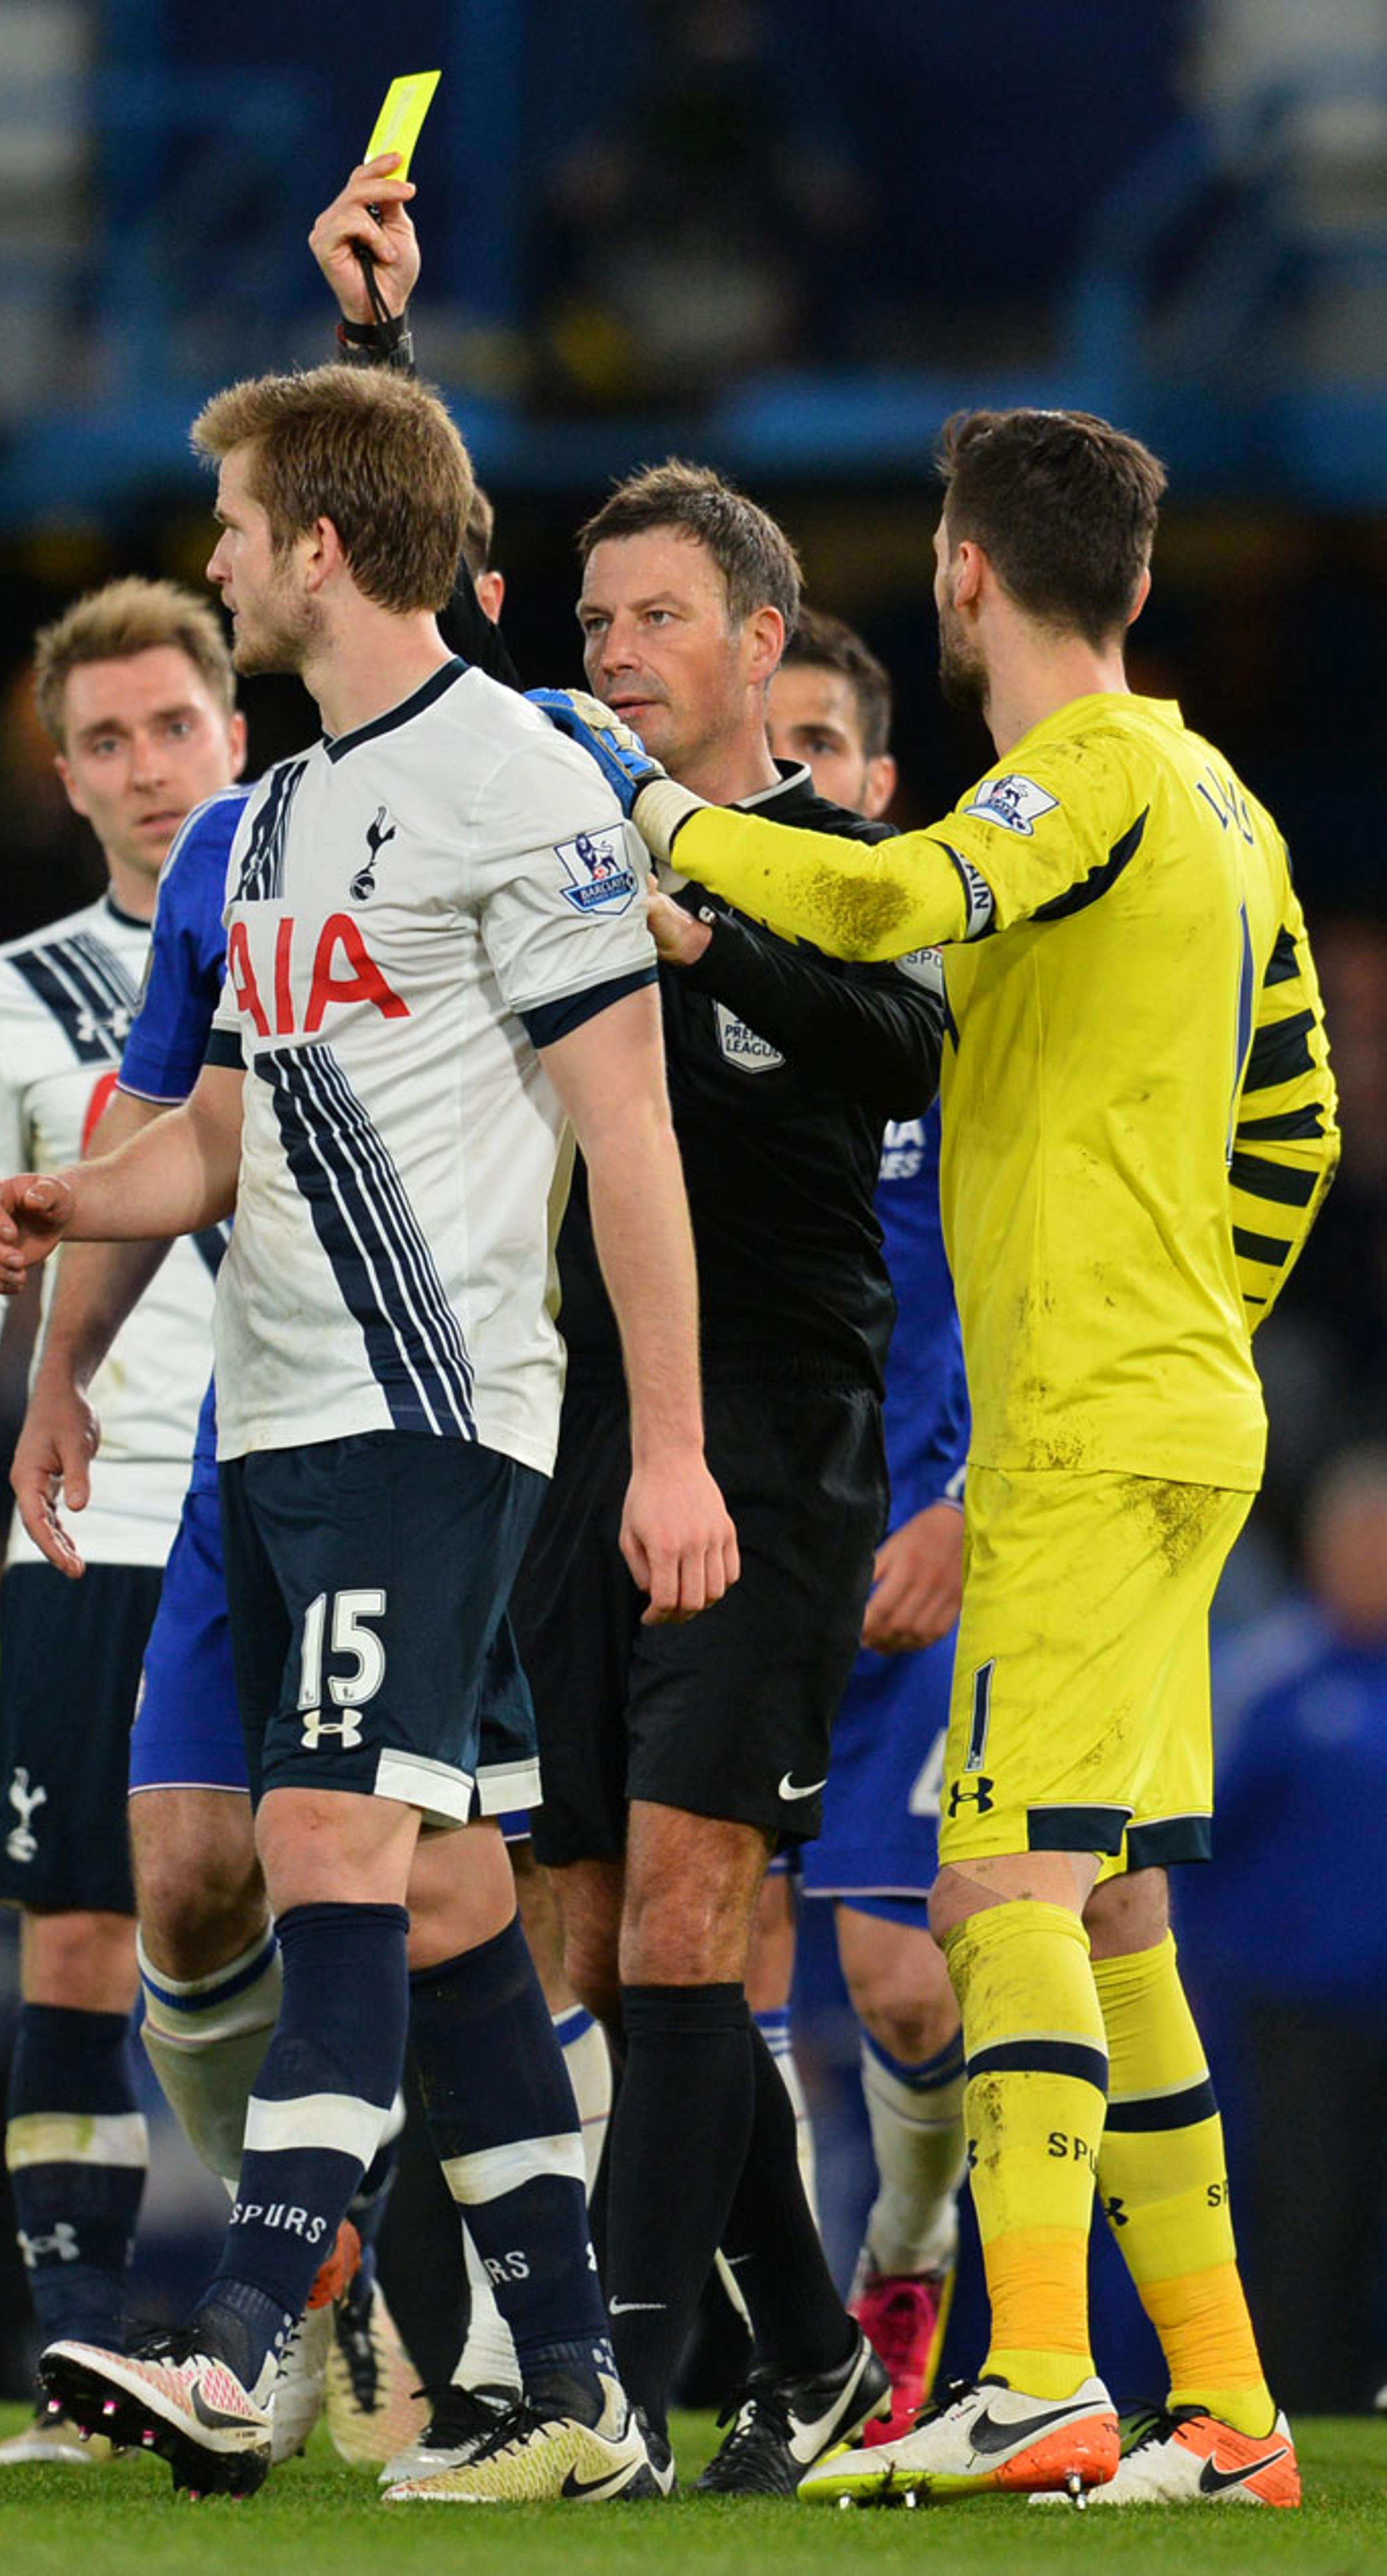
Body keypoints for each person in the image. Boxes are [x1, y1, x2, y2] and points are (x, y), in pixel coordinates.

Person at [539, 405, 1339, 2507]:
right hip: (1178, 1410)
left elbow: (890, 892)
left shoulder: (1075, 780)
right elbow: (1302, 1128)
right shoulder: (1228, 809)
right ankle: (1236, 2411)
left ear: (964, 577)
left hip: (1081, 1422)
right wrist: (1203, 1320)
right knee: (1125, 1911)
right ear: (1137, 580)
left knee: (991, 1880)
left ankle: (1048, 2371)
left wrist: (648, 807)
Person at [0, 358, 735, 2505]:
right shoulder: (281, 812)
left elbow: (633, 1133)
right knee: (457, 1895)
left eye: (231, 523)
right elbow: (213, 1132)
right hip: (280, 1427)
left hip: (432, 1408)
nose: (212, 559)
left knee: (321, 1855)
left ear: (315, 542)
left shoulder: (519, 779)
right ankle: (578, 2393)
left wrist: (665, 1449)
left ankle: (236, 2336)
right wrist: (69, 1215)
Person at [517, 469, 943, 2493]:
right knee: (592, 1930)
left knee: (697, 1918)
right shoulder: (552, 847)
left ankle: (615, 2395)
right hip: (583, 1422)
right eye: (596, 623)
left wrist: (704, 939)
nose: (613, 654)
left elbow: (902, 1049)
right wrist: (393, 348)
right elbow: (425, 590)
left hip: (771, 1437)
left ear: (764, 644)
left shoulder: (846, 861)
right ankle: (806, 2346)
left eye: (656, 617)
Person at [0, 577, 246, 2461]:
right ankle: (89, 2368)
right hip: (85, 1518)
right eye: (107, 739)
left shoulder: (322, 933)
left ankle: (310, 2308)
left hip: (301, 1493)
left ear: (236, 731)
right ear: (63, 773)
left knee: (342, 1911)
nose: (147, 766)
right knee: (86, 1941)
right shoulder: (15, 994)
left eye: (175, 724)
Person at [766, 612, 970, 2440]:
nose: (801, 774)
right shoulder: (694, 978)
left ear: (883, 783)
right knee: (697, 1963)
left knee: (904, 1981)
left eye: (825, 745)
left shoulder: (956, 1000)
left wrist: (968, 1505)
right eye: (779, 748)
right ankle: (773, 2357)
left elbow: (1047, 1272)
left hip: (913, 1561)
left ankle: (904, 2260)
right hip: (744, 1547)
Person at [1181, 1448, 1387, 2416]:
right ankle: (1296, 2409)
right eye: (1364, 1545)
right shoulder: (1272, 1678)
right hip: (1293, 2011)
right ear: (1323, 1553)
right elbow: (1196, 1840)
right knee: (1305, 2218)